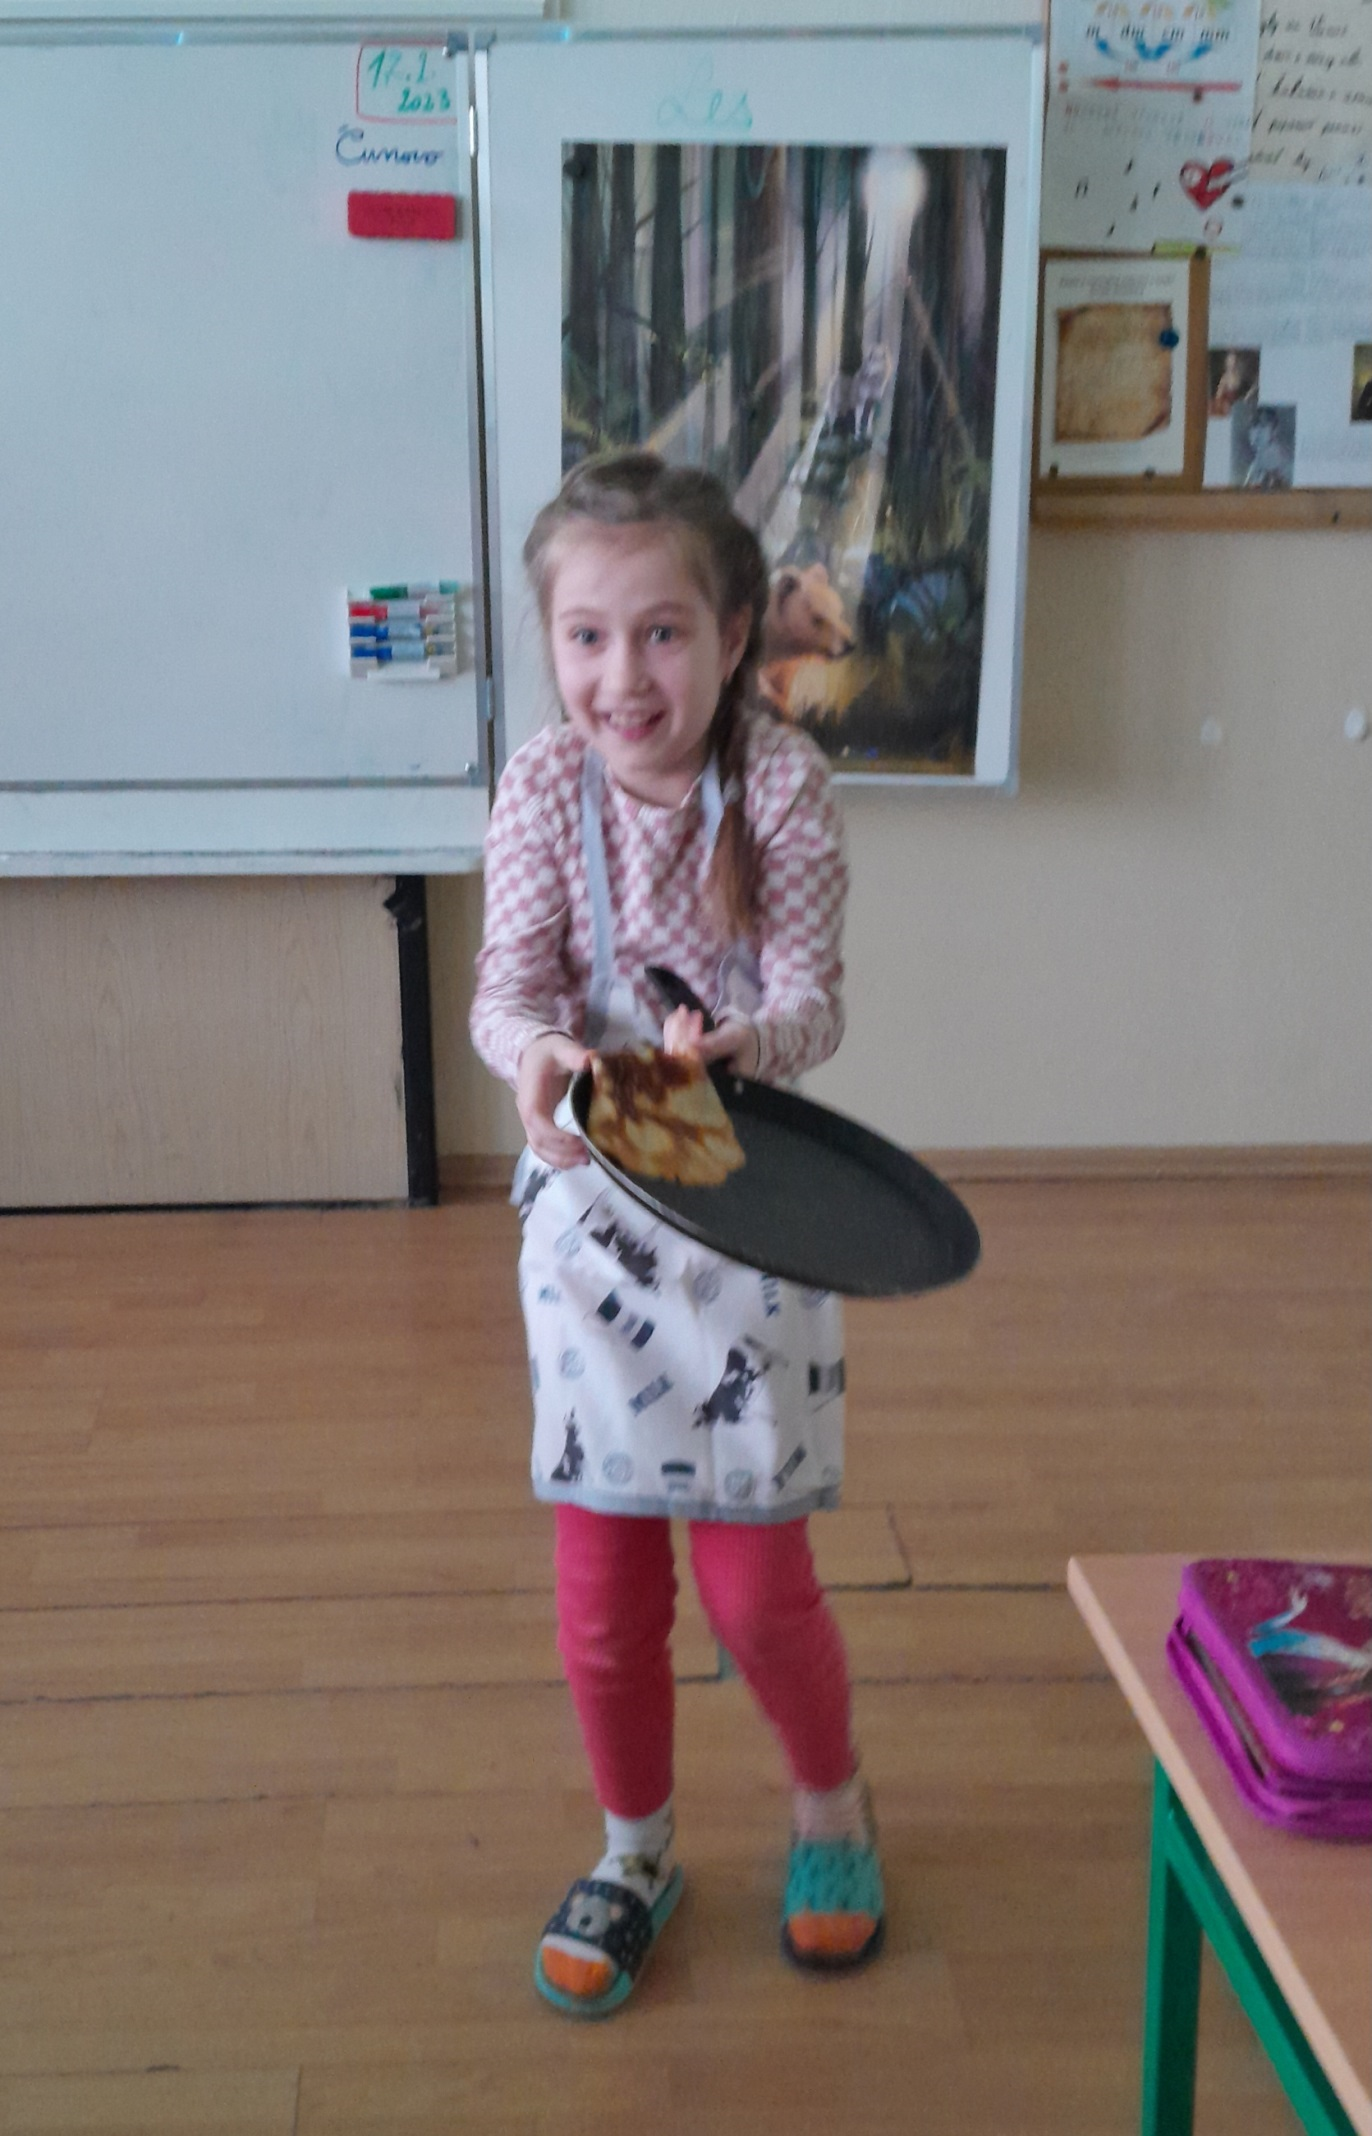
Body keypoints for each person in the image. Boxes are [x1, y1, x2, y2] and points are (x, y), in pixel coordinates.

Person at [470, 450, 883, 2018]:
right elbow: (507, 989)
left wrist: (743, 1049)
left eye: (661, 633)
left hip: (747, 1209)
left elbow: (813, 1003)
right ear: (552, 640)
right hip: (589, 1225)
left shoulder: (782, 784)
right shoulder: (540, 785)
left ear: (731, 633)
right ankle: (634, 1849)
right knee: (602, 1607)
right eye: (586, 636)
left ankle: (831, 1808)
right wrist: (537, 1053)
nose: (622, 676)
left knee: (758, 1596)